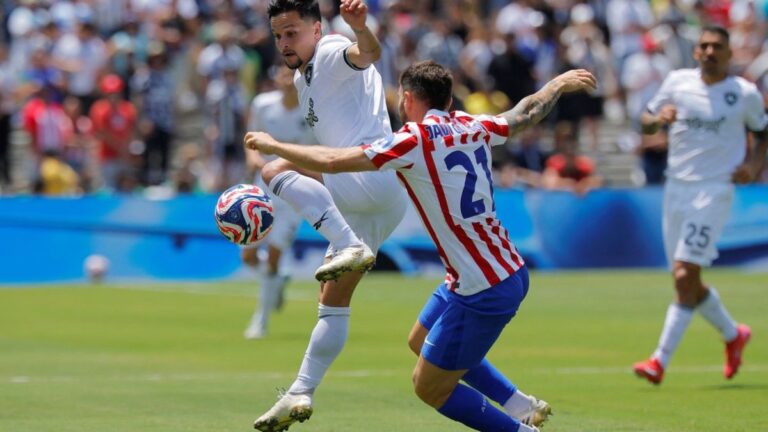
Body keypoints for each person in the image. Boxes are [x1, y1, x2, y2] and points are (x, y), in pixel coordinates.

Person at [246, 61, 597, 432]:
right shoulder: (473, 124)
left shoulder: (413, 140)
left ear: (409, 98)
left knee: (429, 387)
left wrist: (274, 146)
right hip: (495, 266)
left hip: (483, 286)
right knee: (421, 339)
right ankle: (519, 404)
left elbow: (333, 162)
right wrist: (558, 83)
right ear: (448, 100)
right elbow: (525, 113)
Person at [249, 1, 409, 430]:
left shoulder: (332, 50)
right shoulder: (303, 76)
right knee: (332, 302)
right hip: (383, 198)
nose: (284, 43)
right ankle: (301, 391)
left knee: (274, 170)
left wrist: (361, 28)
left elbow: (367, 54)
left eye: (292, 32)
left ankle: (347, 243)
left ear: (317, 30)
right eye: (278, 35)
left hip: (365, 177)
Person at [633, 26, 767, 385]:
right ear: (696, 52)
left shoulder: (744, 93)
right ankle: (733, 334)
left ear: (729, 53)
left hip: (714, 190)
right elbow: (644, 122)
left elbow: (762, 131)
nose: (709, 51)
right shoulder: (677, 82)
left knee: (683, 274)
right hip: (676, 188)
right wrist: (657, 120)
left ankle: (659, 360)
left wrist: (753, 166)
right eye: (704, 46)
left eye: (717, 46)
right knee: (687, 282)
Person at [242, 65, 316, 340]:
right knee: (249, 257)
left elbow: (316, 152)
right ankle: (278, 278)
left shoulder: (311, 111)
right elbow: (251, 141)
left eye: (291, 75)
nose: (287, 80)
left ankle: (260, 320)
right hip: (261, 189)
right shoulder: (263, 104)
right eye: (283, 75)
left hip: (292, 190)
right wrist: (254, 161)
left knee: (274, 255)